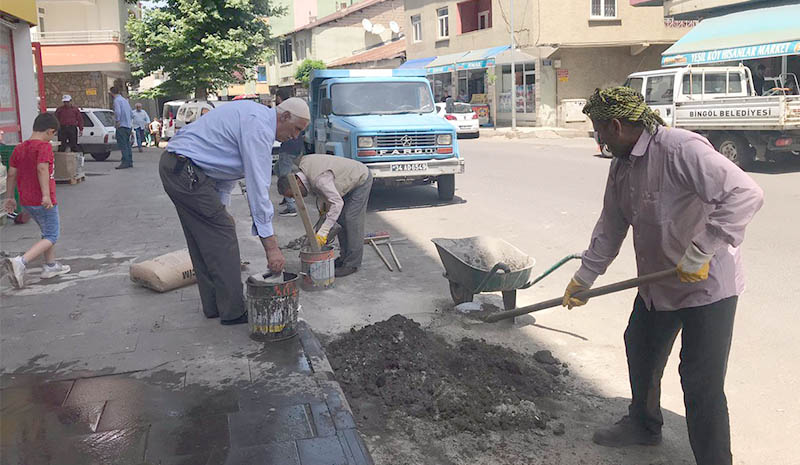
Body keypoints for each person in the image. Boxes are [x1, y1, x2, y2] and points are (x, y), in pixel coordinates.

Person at [562, 87, 764, 465]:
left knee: (700, 381)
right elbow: (611, 224)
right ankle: (644, 425)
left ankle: (715, 460)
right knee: (640, 347)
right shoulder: (621, 165)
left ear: (617, 125)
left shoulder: (681, 150)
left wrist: (703, 248)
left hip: (707, 286)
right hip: (657, 284)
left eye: (599, 131)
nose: (598, 139)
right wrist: (584, 278)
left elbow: (745, 193)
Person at [161, 98, 310, 325]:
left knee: (204, 238)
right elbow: (258, 189)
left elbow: (225, 171)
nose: (295, 136)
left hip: (178, 167)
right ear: (284, 116)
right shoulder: (259, 126)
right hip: (186, 171)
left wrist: (222, 207)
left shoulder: (254, 117)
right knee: (223, 235)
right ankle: (233, 311)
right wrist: (271, 248)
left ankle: (214, 306)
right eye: (297, 129)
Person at [3, 113, 72, 288]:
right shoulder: (43, 147)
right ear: (50, 131)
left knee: (46, 231)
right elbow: (42, 168)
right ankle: (21, 262)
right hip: (43, 199)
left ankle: (51, 266)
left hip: (26, 200)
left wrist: (10, 197)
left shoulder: (20, 148)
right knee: (52, 234)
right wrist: (46, 195)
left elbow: (11, 173)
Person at [277, 154, 372, 278]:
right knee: (340, 220)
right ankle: (344, 258)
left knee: (351, 219)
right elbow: (326, 194)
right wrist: (324, 211)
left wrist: (324, 231)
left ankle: (352, 264)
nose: (296, 198)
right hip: (347, 180)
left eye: (294, 195)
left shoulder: (319, 179)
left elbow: (337, 203)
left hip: (360, 177)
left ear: (297, 183)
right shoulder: (305, 170)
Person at [274, 89, 305, 217]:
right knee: (277, 169)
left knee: (285, 175)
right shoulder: (297, 110)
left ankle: (291, 205)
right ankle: (286, 196)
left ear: (280, 98)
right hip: (295, 148)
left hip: (288, 149)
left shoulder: (286, 113)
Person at [110, 87, 134, 169]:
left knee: (123, 144)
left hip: (122, 126)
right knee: (127, 144)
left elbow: (118, 111)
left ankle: (125, 161)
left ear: (111, 93)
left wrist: (117, 121)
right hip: (128, 125)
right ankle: (130, 161)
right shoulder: (125, 100)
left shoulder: (117, 100)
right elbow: (131, 113)